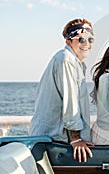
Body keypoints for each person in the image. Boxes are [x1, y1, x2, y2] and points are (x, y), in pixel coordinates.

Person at [29, 18, 95, 163]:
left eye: (90, 39)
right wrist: (76, 139)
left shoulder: (77, 63)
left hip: (58, 140)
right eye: (81, 39)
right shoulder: (66, 60)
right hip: (52, 141)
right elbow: (70, 102)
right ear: (69, 41)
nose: (87, 44)